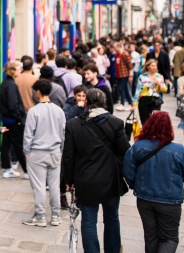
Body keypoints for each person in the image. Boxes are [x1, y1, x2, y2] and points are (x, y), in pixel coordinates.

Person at [123, 112, 184, 253]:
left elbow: (127, 170)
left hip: (144, 199)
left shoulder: (137, 147)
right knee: (169, 238)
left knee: (151, 237)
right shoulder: (179, 150)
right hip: (170, 201)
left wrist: (136, 185)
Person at [63, 89, 129, 253]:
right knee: (112, 217)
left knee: (89, 220)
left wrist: (68, 180)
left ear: (86, 102)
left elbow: (68, 156)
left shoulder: (73, 125)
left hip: (86, 180)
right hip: (111, 179)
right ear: (105, 102)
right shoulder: (116, 123)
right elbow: (125, 152)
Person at [22, 79, 66, 228]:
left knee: (39, 186)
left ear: (38, 92)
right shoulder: (59, 110)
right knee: (54, 185)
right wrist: (61, 150)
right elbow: (63, 133)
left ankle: (40, 216)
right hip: (55, 152)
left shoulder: (34, 111)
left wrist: (26, 152)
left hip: (37, 153)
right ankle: (55, 215)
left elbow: (28, 135)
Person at [0, 62, 28, 179]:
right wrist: (19, 118)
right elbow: (13, 104)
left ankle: (7, 169)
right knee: (18, 145)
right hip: (12, 119)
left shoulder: (6, 83)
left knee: (6, 144)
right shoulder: (11, 85)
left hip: (7, 118)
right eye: (17, 69)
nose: (20, 70)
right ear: (12, 71)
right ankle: (27, 171)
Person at [132, 59, 167, 125]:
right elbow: (138, 90)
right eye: (152, 66)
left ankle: (153, 135)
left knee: (155, 121)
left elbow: (165, 89)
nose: (154, 67)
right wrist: (134, 103)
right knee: (145, 121)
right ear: (148, 67)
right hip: (144, 99)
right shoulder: (142, 77)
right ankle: (146, 135)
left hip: (155, 100)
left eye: (155, 66)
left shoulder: (159, 76)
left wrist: (159, 84)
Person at [113, 42, 133, 111]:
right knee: (126, 90)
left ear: (118, 47)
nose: (114, 48)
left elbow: (129, 65)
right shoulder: (117, 55)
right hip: (119, 75)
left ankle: (122, 103)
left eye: (115, 47)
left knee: (121, 89)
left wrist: (130, 75)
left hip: (124, 75)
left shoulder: (125, 54)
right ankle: (130, 103)